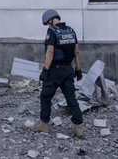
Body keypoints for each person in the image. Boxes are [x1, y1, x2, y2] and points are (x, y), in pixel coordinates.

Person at [31, 9, 84, 138]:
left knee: (45, 97)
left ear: (50, 20)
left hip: (54, 71)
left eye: (47, 23)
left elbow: (50, 52)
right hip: (68, 71)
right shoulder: (71, 31)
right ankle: (78, 127)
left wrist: (45, 70)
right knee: (71, 99)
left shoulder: (52, 32)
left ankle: (44, 124)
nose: (48, 25)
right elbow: (76, 52)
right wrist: (78, 69)